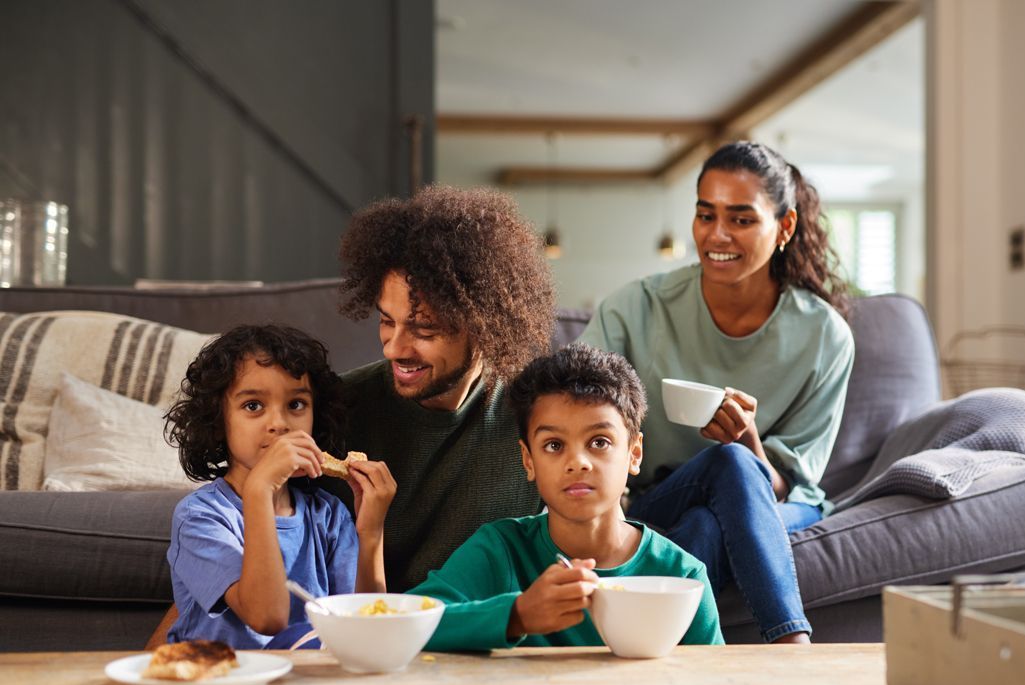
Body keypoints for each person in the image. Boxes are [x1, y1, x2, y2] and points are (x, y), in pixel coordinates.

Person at [577, 141, 855, 643]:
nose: (718, 235)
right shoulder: (634, 309)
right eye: (706, 215)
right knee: (719, 475)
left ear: (784, 228)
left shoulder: (824, 336)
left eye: (742, 219)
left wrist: (747, 443)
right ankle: (792, 644)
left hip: (777, 500)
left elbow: (787, 485)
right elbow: (573, 413)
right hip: (655, 495)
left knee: (718, 496)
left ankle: (658, 654)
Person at [411, 343, 723, 650]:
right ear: (528, 461)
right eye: (554, 445)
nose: (578, 462)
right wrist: (517, 616)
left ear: (634, 453)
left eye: (599, 442)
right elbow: (410, 622)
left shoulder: (682, 576)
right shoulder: (501, 549)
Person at [329, 186, 558, 592]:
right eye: (387, 321)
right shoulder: (336, 410)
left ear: (484, 325)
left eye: (424, 329)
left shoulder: (537, 416)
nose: (395, 348)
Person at [163, 325, 396, 648]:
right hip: (217, 681)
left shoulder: (327, 515)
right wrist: (260, 490)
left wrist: (371, 532)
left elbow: (367, 629)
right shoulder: (201, 517)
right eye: (253, 406)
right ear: (218, 423)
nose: (280, 423)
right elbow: (267, 618)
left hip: (301, 684)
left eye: (296, 404)